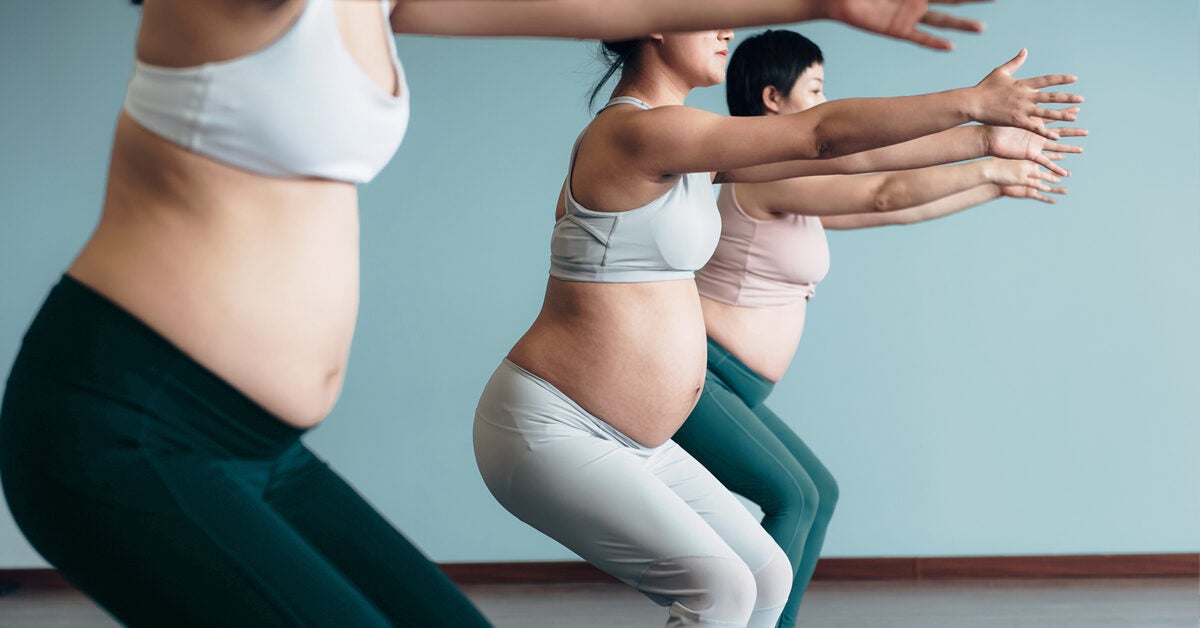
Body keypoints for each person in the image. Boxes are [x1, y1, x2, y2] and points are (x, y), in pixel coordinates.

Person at [0, 1, 995, 625]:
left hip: (259, 447)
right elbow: (819, 138)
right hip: (124, 418)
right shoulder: (236, 9)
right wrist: (965, 112)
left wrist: (819, 3)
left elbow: (601, 6)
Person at [472, 25, 1081, 627]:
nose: (726, 26)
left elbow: (854, 158)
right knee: (724, 587)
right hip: (555, 427)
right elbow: (820, 135)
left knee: (765, 576)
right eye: (707, 13)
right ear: (654, 22)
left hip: (637, 442)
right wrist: (970, 102)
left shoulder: (693, 148)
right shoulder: (635, 132)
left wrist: (981, 142)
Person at [672, 29, 1087, 627]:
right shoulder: (758, 170)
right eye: (815, 89)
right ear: (772, 98)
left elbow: (893, 206)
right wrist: (987, 150)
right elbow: (884, 189)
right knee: (793, 497)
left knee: (817, 494)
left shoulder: (791, 184)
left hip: (731, 383)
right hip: (699, 373)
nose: (826, 102)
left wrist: (993, 180)